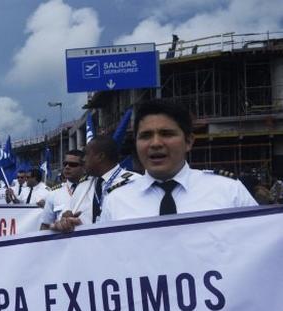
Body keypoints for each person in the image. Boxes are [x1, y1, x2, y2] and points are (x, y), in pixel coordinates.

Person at [53, 99, 256, 231]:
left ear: (189, 141)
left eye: (167, 134)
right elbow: (106, 258)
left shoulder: (229, 192)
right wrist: (76, 234)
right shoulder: (117, 200)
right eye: (146, 136)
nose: (156, 143)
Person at [60, 135, 140, 227]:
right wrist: (66, 221)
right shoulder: (82, 186)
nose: (83, 159)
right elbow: (67, 216)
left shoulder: (134, 182)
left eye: (86, 154)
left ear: (100, 156)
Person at [40, 149, 86, 229]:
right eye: (65, 164)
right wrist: (56, 226)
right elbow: (45, 225)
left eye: (73, 164)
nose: (67, 167)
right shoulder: (54, 193)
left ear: (84, 167)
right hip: (63, 240)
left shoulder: (94, 189)